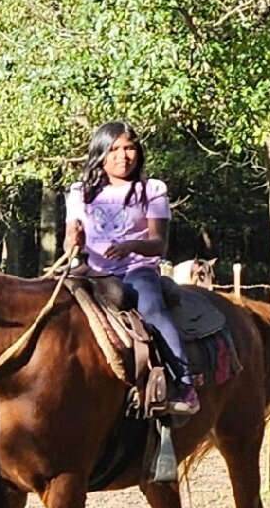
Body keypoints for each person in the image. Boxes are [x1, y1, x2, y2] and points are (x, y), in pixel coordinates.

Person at [64, 122, 195, 417]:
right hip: (92, 270)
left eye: (129, 148)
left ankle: (184, 383)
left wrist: (128, 247)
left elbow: (159, 244)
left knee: (151, 308)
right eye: (114, 149)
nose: (123, 156)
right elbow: (70, 240)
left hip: (137, 270)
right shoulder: (79, 192)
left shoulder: (151, 190)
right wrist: (73, 240)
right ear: (101, 153)